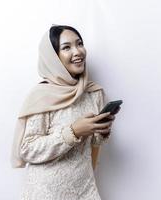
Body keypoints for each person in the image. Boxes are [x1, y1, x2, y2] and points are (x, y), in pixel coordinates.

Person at [11, 25, 120, 200]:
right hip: (45, 193)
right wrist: (73, 131)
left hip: (85, 190)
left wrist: (102, 130)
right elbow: (27, 149)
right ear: (53, 57)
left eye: (79, 44)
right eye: (66, 47)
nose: (77, 52)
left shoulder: (94, 92)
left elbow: (94, 145)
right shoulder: (42, 95)